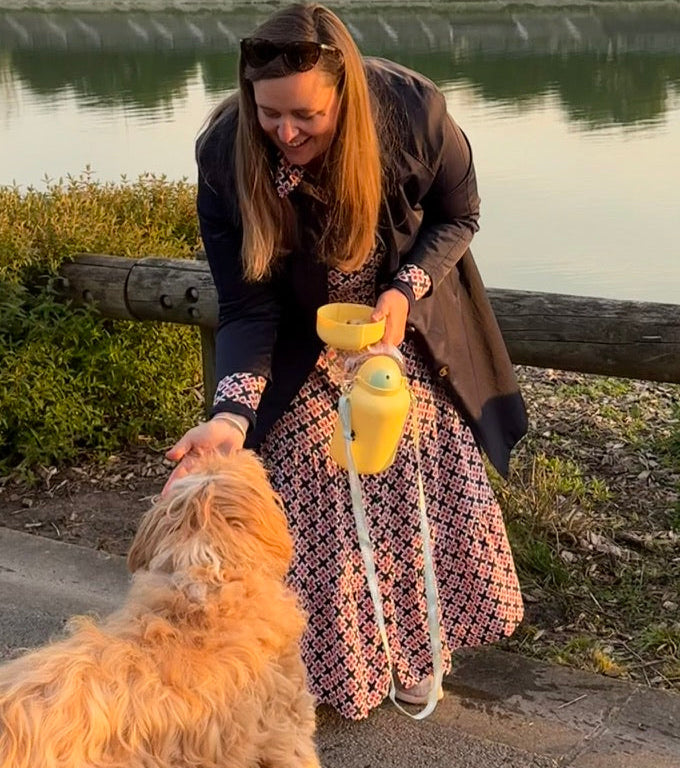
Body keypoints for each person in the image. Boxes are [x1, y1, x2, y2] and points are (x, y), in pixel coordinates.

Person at [164, 2, 527, 721]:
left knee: (411, 488)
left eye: (306, 116)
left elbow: (461, 215)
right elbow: (246, 307)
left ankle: (418, 654)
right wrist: (232, 414)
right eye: (270, 115)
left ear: (346, 94)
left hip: (400, 336)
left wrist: (406, 288)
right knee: (308, 511)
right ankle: (332, 672)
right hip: (303, 348)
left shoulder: (415, 113)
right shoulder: (224, 153)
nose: (286, 133)